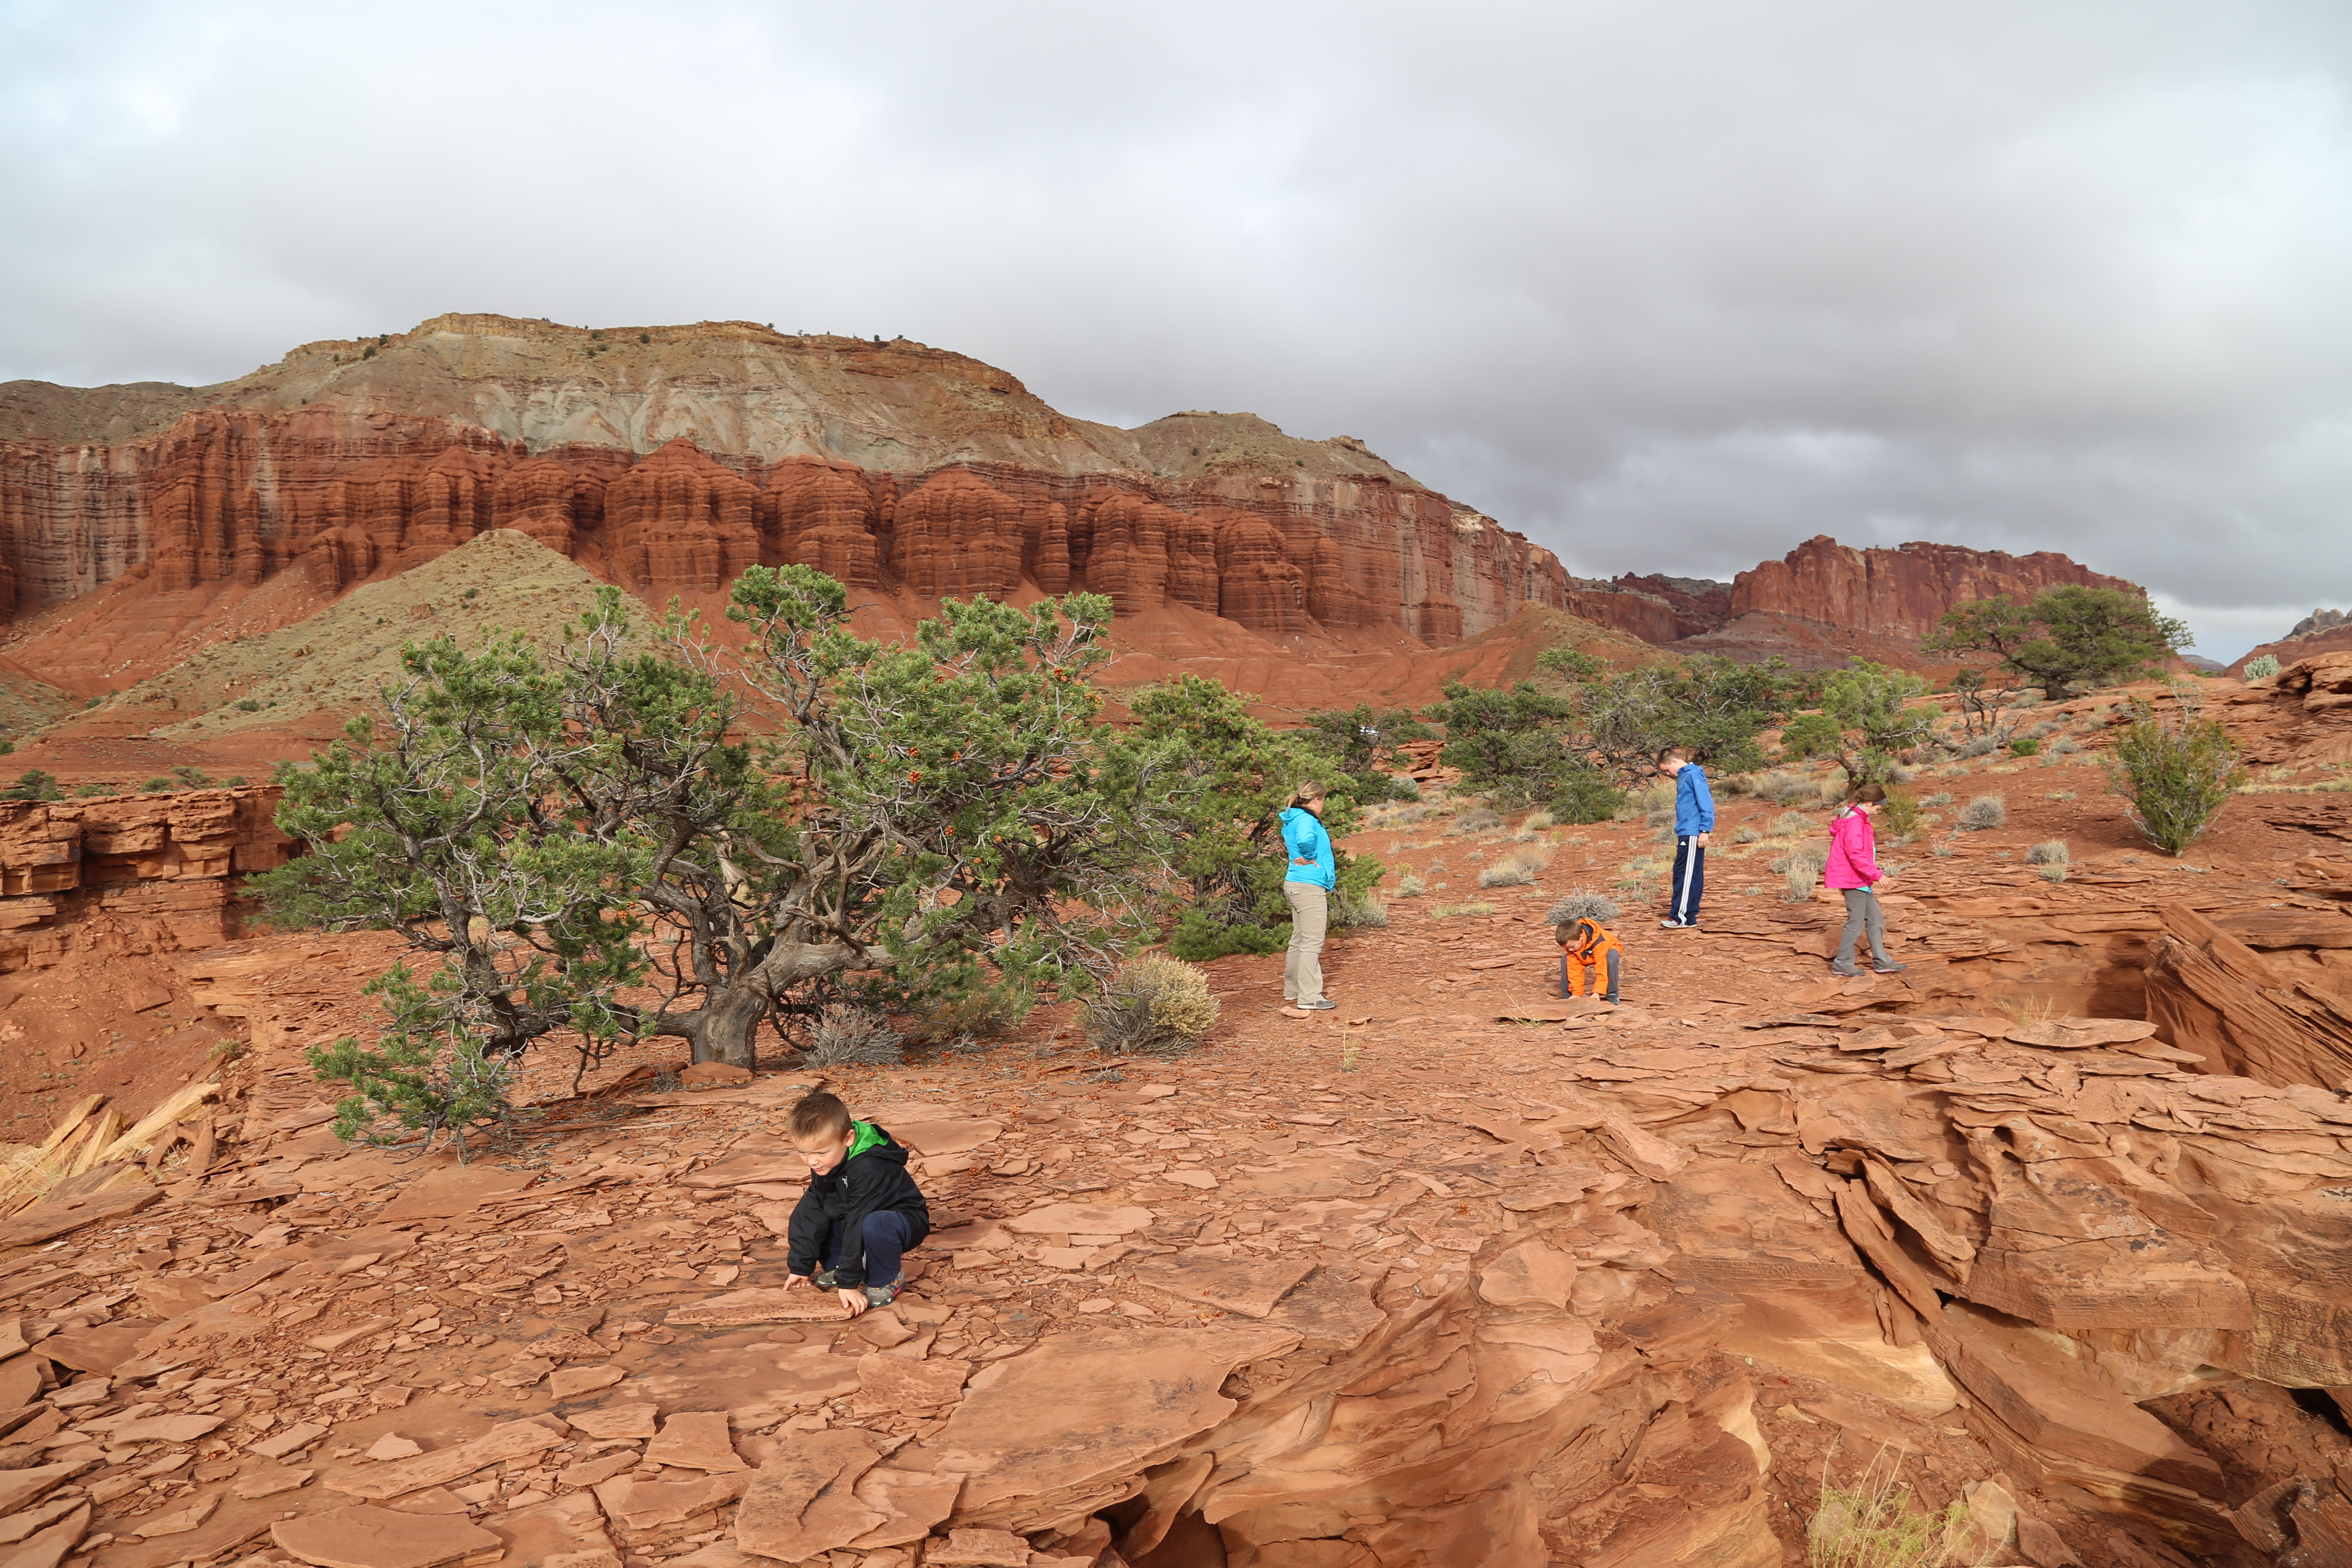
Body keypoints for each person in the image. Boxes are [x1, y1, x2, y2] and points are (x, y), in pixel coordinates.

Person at [781, 1090, 929, 1316]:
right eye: (803, 1152)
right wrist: (801, 1266)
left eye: (821, 1152)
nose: (812, 1161)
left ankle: (887, 1278)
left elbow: (859, 1219)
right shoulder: (826, 1161)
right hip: (861, 1212)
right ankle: (843, 1266)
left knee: (874, 1223)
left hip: (901, 1221)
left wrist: (847, 1284)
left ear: (848, 1139)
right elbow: (810, 1212)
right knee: (818, 1207)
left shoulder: (870, 1167)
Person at [1825, 784, 1907, 977]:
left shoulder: (1856, 817)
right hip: (1854, 878)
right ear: (1869, 803)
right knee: (1855, 923)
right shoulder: (1855, 822)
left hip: (1860, 878)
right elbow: (1856, 854)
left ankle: (1882, 961)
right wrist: (1877, 874)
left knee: (1876, 919)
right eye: (1877, 808)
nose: (1878, 812)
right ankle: (1843, 963)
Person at [1279, 780, 1336, 1011]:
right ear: (1316, 800)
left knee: (1300, 939)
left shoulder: (1293, 816)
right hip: (1308, 885)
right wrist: (1311, 856)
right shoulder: (1306, 819)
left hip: (1296, 882)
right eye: (1323, 800)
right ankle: (1310, 997)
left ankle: (1293, 990)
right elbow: (1305, 841)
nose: (1323, 805)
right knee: (1312, 942)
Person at [1657, 748, 1713, 929]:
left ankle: (1679, 918)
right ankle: (1689, 917)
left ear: (1674, 762)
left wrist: (1705, 830)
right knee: (1693, 875)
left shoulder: (1691, 775)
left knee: (1684, 875)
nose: (1668, 774)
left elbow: (1705, 802)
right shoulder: (1685, 776)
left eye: (1667, 770)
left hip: (1692, 833)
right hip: (1687, 832)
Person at [1556, 914, 1623, 1004]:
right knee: (1566, 959)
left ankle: (1612, 994)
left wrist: (1597, 992)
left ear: (1581, 937)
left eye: (1572, 947)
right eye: (1567, 948)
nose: (1570, 950)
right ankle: (1568, 995)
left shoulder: (1600, 941)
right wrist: (1577, 993)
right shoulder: (1573, 944)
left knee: (1610, 958)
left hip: (1607, 951)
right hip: (1586, 954)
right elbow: (1574, 970)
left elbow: (1601, 968)